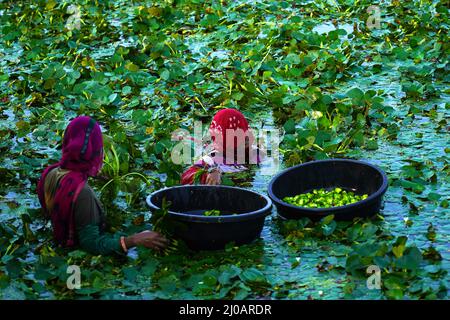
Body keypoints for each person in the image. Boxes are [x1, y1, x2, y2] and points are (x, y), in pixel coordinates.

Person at [37, 116, 168, 255]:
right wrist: (133, 240)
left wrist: (94, 174)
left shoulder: (50, 172)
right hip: (78, 257)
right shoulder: (83, 193)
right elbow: (92, 244)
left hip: (57, 248)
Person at [181, 108, 263, 185]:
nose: (247, 139)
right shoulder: (212, 159)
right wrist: (210, 172)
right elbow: (186, 177)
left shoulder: (254, 152)